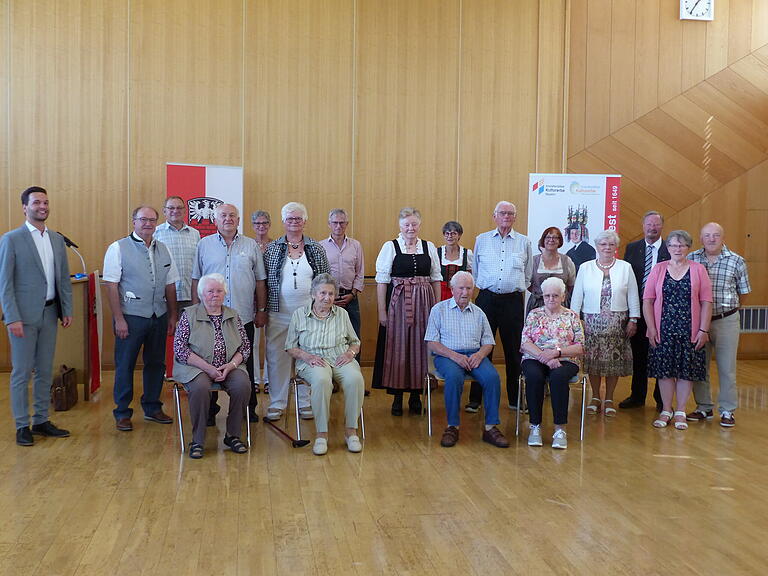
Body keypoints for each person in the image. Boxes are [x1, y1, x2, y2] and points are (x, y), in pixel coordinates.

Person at [0, 186, 73, 446]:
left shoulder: (55, 238)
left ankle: (41, 420)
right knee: (21, 372)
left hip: (50, 313)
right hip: (23, 317)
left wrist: (67, 309)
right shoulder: (12, 239)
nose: (42, 206)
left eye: (45, 202)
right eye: (36, 203)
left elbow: (62, 277)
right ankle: (22, 425)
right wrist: (12, 317)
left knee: (44, 370)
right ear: (25, 207)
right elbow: (5, 283)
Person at [103, 205, 178, 432]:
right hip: (131, 317)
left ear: (157, 222)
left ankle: (153, 407)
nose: (148, 224)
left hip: (159, 315)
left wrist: (173, 315)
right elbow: (111, 285)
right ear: (134, 221)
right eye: (143, 219)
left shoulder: (164, 249)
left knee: (156, 363)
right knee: (125, 364)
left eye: (152, 220)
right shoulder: (118, 248)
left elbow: (170, 284)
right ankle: (122, 412)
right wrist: (119, 319)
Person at [192, 203, 267, 424]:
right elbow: (196, 279)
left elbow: (260, 281)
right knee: (210, 362)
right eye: (223, 215)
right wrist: (197, 311)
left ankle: (248, 409)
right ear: (216, 220)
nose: (228, 219)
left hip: (242, 317)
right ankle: (209, 411)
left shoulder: (251, 245)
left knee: (246, 362)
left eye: (232, 216)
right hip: (209, 318)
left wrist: (261, 310)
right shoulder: (204, 245)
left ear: (238, 219)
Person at [424, 272, 508, 448]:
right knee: (454, 378)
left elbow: (488, 342)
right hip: (447, 355)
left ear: (473, 290)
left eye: (468, 288)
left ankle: (490, 427)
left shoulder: (479, 313)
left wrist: (479, 355)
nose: (465, 292)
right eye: (461, 288)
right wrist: (454, 356)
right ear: (452, 289)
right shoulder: (438, 310)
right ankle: (452, 427)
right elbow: (432, 342)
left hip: (475, 355)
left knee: (493, 378)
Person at [263, 202, 331, 422]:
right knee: (277, 358)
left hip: (309, 315)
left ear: (305, 221)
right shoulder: (273, 248)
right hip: (278, 313)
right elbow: (264, 281)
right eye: (290, 219)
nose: (294, 222)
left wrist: (323, 309)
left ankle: (305, 402)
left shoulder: (315, 247)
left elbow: (324, 281)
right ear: (283, 222)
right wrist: (262, 309)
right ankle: (277, 403)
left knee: (309, 357)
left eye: (298, 218)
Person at [173, 274, 251, 459]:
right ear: (201, 294)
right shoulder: (189, 315)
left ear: (225, 293)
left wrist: (231, 365)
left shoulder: (233, 315)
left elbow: (245, 347)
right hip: (196, 367)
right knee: (200, 387)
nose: (215, 295)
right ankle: (198, 440)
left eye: (219, 291)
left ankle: (233, 435)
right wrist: (208, 368)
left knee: (242, 385)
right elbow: (180, 349)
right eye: (210, 291)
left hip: (229, 366)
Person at [286, 274, 365, 455]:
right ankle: (322, 435)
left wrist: (349, 353)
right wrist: (306, 356)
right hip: (312, 359)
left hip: (339, 356)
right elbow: (290, 346)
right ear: (313, 294)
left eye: (330, 294)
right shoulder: (300, 314)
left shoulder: (342, 314)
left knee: (355, 379)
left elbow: (355, 341)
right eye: (322, 293)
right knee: (322, 381)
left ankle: (351, 431)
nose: (327, 298)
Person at [373, 207, 441, 416]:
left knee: (421, 348)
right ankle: (397, 396)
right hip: (398, 303)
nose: (410, 228)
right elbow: (382, 281)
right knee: (398, 347)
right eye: (406, 225)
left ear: (419, 225)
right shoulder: (390, 246)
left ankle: (415, 396)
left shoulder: (429, 247)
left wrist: (437, 310)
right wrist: (382, 312)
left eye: (414, 224)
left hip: (424, 304)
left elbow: (436, 278)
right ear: (400, 226)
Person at [467, 201, 533, 412]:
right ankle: (476, 399)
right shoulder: (482, 240)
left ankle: (515, 399)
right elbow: (476, 271)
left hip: (513, 301)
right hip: (486, 299)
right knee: (480, 348)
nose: (506, 216)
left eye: (510, 213)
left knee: (514, 352)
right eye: (502, 213)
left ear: (515, 217)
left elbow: (528, 274)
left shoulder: (524, 242)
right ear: (494, 216)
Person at [643, 230, 712, 430]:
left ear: (688, 248)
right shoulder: (658, 268)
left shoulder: (698, 269)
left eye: (682, 245)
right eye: (673, 245)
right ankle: (666, 410)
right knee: (664, 372)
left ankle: (680, 411)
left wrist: (703, 329)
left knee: (685, 371)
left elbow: (706, 302)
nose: (677, 249)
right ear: (668, 247)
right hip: (662, 328)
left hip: (689, 329)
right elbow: (648, 300)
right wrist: (651, 328)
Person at [687, 223, 750, 428]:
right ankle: (703, 407)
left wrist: (729, 313)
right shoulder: (691, 259)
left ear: (723, 237)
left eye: (716, 235)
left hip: (726, 320)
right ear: (701, 238)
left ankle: (727, 410)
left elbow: (744, 293)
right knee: (699, 366)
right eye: (707, 235)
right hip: (697, 322)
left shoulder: (736, 261)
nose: (711, 239)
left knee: (727, 368)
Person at [571, 229, 640, 417]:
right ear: (597, 246)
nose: (607, 247)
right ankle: (595, 397)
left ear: (616, 247)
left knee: (613, 362)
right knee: (594, 361)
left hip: (618, 322)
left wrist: (634, 319)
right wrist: (576, 320)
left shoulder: (625, 267)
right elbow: (577, 295)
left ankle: (609, 398)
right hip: (591, 322)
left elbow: (633, 294)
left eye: (611, 244)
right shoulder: (585, 267)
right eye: (603, 244)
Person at [521, 277, 585, 449]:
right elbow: (525, 343)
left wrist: (557, 353)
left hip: (566, 359)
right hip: (535, 358)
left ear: (563, 296)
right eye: (547, 295)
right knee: (534, 376)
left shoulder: (572, 316)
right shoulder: (534, 314)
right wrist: (545, 356)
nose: (551, 299)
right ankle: (535, 427)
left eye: (555, 295)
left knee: (558, 378)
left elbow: (580, 347)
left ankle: (559, 429)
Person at [619, 210, 669, 410]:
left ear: (662, 226)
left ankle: (661, 399)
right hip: (638, 309)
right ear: (643, 226)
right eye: (649, 224)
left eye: (656, 224)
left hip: (664, 311)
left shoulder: (669, 248)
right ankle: (637, 396)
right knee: (639, 355)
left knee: (661, 354)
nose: (652, 228)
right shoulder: (632, 248)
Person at [154, 196, 201, 379]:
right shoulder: (156, 233)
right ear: (164, 211)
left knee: (191, 339)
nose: (175, 211)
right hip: (164, 297)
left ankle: (188, 375)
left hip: (191, 295)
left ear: (185, 211)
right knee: (162, 338)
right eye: (171, 208)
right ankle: (165, 374)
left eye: (179, 208)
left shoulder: (195, 234)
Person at [319, 209, 365, 359]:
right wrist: (328, 297)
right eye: (335, 223)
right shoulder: (320, 246)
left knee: (354, 336)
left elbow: (360, 273)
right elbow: (319, 275)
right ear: (329, 224)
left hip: (350, 298)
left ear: (347, 224)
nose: (338, 226)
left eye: (342, 223)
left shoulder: (355, 245)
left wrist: (352, 294)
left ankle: (354, 371)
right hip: (327, 299)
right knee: (329, 336)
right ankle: (332, 373)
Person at [526, 226, 576, 315]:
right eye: (548, 237)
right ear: (543, 240)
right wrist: (539, 293)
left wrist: (558, 294)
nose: (551, 240)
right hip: (536, 305)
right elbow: (527, 283)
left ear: (560, 241)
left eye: (555, 237)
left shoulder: (567, 261)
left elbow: (570, 284)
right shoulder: (533, 261)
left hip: (561, 306)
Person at [251, 210, 273, 394]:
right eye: (258, 224)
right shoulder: (248, 246)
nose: (261, 227)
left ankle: (267, 379)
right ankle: (254, 379)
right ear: (252, 226)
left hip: (271, 298)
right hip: (250, 299)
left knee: (270, 341)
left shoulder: (275, 246)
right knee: (252, 341)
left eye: (264, 223)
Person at [437, 221, 473, 301]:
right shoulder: (437, 252)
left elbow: (470, 276)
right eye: (447, 233)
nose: (450, 236)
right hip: (441, 293)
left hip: (460, 293)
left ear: (459, 235)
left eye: (453, 233)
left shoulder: (467, 253)